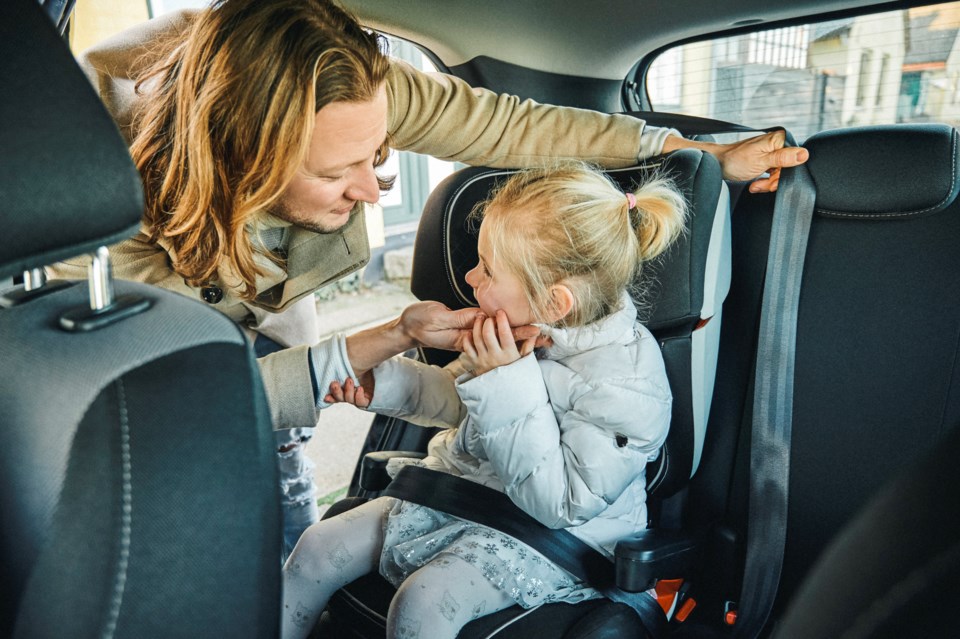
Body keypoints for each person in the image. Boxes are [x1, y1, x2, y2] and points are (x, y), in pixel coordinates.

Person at [49, 0, 808, 556]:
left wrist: (688, 147)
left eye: (376, 154)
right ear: (243, 158)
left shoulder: (346, 86)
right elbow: (170, 407)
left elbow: (518, 126)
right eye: (338, 170)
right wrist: (355, 355)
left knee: (283, 497)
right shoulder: (94, 204)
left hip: (274, 310)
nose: (376, 190)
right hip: (160, 350)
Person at [281, 162, 686, 638]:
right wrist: (382, 386)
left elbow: (562, 504)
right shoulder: (512, 331)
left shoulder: (627, 384)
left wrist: (505, 378)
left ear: (555, 303)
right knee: (315, 547)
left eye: (488, 269)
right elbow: (456, 401)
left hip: (552, 539)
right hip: (461, 497)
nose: (470, 277)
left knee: (425, 602)